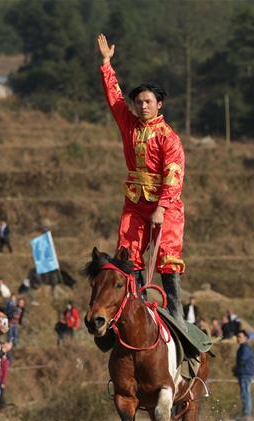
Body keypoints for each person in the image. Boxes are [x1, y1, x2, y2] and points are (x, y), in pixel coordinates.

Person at [97, 33, 187, 328]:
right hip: (135, 201)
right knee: (128, 253)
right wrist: (107, 63)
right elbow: (113, 96)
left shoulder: (168, 137)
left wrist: (161, 208)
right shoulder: (129, 124)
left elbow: (173, 176)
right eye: (138, 101)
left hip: (165, 204)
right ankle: (132, 310)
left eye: (148, 101)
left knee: (167, 256)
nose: (142, 106)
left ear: (159, 104)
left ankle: (175, 315)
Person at [232, 330, 254, 421]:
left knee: (245, 394)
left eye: (240, 336)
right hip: (244, 373)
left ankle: (247, 414)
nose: (238, 338)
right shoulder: (243, 347)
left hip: (245, 373)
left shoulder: (245, 348)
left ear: (246, 338)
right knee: (244, 393)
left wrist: (236, 368)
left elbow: (242, 360)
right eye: (237, 336)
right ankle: (246, 413)